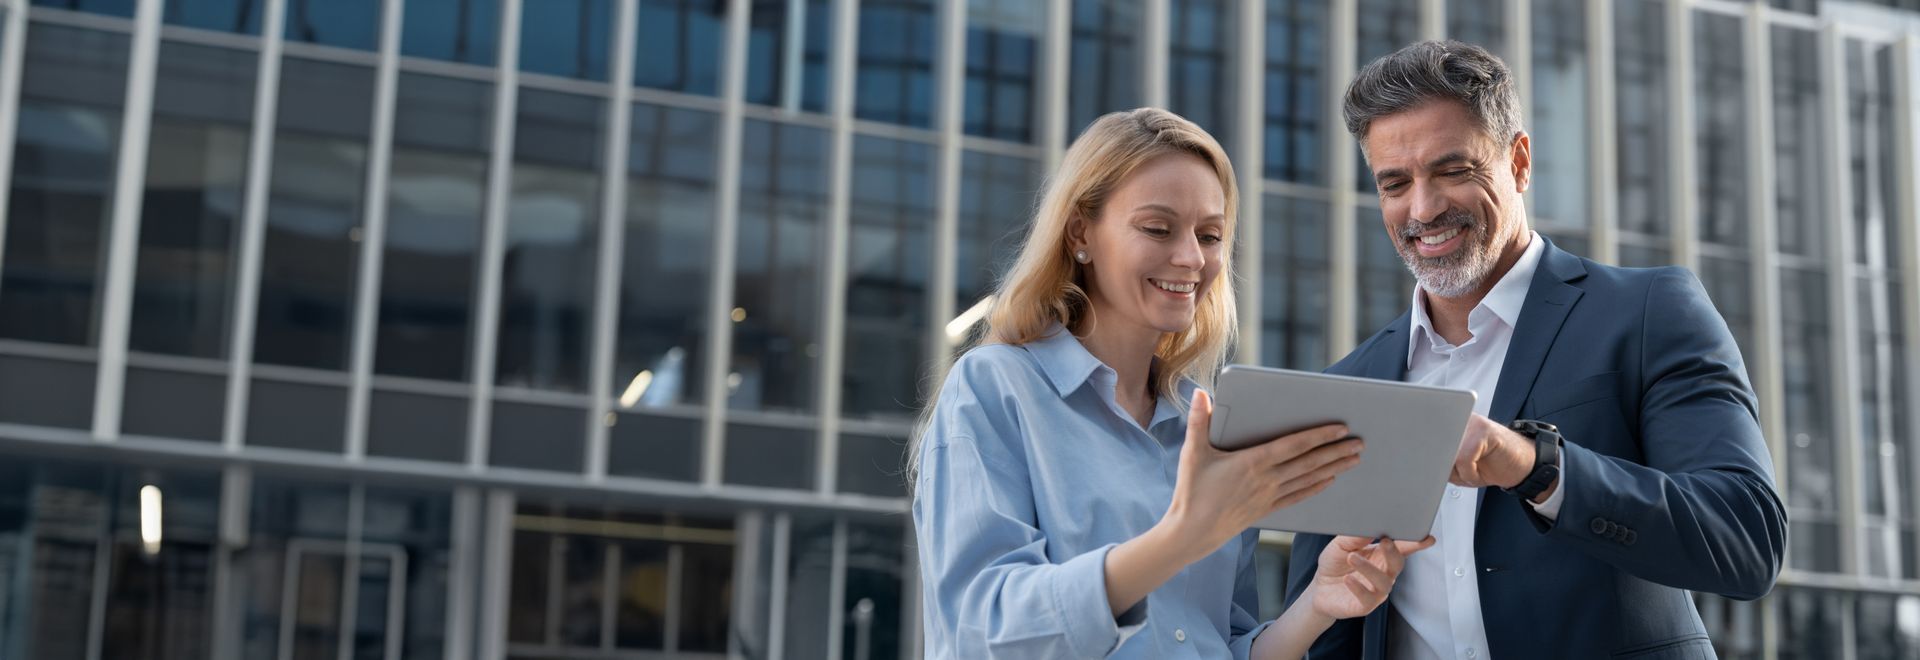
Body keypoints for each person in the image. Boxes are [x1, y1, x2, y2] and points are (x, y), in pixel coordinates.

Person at [1285, 40, 1787, 659]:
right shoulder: (1351, 383)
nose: (1423, 207)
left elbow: (1744, 537)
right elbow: (1328, 629)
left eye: (1452, 170)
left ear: (1519, 162)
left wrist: (1534, 466)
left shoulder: (1650, 311)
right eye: (1395, 183)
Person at [910, 107, 1434, 659]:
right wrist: (1182, 535)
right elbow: (981, 626)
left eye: (1210, 235)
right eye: (1157, 228)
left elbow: (1218, 644)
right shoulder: (996, 388)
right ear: (1080, 232)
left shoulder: (1205, 422)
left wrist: (1317, 607)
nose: (1190, 258)